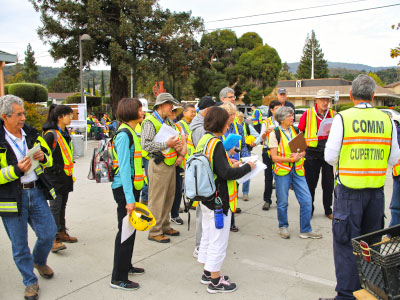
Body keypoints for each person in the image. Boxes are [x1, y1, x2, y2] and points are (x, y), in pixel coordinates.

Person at [321, 75, 400, 300]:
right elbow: (395, 158)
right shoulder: (387, 120)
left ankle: (346, 295)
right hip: (375, 194)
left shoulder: (343, 118)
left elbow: (329, 157)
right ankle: (369, 291)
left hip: (348, 192)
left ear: (352, 96)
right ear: (373, 96)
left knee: (346, 245)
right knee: (370, 247)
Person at [0, 94, 57, 300]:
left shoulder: (32, 134)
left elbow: (48, 161)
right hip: (10, 198)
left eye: (23, 113)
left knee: (49, 233)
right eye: (18, 114)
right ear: (4, 117)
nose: (23, 118)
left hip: (36, 192)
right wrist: (16, 170)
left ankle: (39, 261)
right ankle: (30, 281)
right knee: (19, 244)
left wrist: (43, 157)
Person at [196, 106, 255, 294]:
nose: (229, 124)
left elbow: (215, 165)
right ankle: (215, 281)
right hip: (218, 200)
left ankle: (207, 272)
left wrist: (230, 162)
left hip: (205, 197)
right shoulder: (217, 144)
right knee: (218, 239)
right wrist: (248, 167)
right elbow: (226, 173)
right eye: (227, 121)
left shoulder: (204, 140)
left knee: (208, 235)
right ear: (220, 123)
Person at [269, 106, 322, 240]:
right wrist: (290, 159)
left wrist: (299, 154)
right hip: (282, 171)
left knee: (306, 200)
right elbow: (274, 157)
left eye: (293, 115)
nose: (293, 118)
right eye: (289, 116)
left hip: (298, 170)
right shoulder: (274, 133)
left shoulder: (296, 130)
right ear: (281, 119)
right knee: (282, 202)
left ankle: (306, 229)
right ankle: (283, 226)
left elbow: (304, 151)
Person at [110, 98, 146, 290]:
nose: (143, 112)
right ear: (131, 111)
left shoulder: (133, 131)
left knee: (130, 230)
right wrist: (130, 199)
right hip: (125, 190)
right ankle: (118, 277)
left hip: (133, 188)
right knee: (124, 232)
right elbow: (124, 169)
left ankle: (127, 265)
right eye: (140, 109)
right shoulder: (124, 134)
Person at [141, 93, 185, 243]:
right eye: (169, 104)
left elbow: (174, 138)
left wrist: (177, 145)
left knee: (168, 196)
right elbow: (145, 145)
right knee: (157, 198)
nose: (172, 108)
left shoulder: (168, 122)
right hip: (158, 163)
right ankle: (154, 230)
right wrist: (167, 144)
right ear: (161, 105)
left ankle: (165, 226)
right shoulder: (150, 122)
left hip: (170, 163)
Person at [43, 104, 77, 254]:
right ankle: (53, 238)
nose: (71, 117)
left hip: (65, 176)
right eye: (68, 115)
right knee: (55, 208)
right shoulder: (51, 134)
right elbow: (43, 156)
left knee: (62, 205)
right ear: (60, 117)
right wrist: (54, 170)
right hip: (55, 178)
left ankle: (61, 231)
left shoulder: (65, 133)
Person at [298, 89, 336, 219]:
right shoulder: (307, 114)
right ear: (317, 100)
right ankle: (310, 209)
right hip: (311, 153)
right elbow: (300, 133)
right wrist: (301, 151)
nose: (325, 103)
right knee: (310, 184)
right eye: (323, 100)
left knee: (328, 183)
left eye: (327, 100)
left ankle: (328, 209)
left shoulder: (334, 114)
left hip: (328, 152)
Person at [189, 96, 216, 258]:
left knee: (205, 211)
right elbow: (206, 150)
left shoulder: (203, 124)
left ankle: (203, 243)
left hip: (202, 171)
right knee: (202, 211)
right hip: (200, 173)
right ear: (207, 110)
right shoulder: (199, 128)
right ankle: (199, 246)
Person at [220, 102, 248, 231]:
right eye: (230, 114)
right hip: (223, 164)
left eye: (233, 114)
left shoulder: (239, 127)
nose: (232, 116)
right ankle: (224, 219)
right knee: (223, 194)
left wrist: (246, 159)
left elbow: (243, 145)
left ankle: (231, 221)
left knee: (233, 194)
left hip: (236, 164)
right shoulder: (219, 127)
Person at [255, 100, 281, 210]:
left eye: (280, 108)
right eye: (276, 108)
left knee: (280, 177)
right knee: (268, 177)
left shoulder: (283, 121)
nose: (279, 110)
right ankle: (267, 200)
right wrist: (266, 132)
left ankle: (280, 200)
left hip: (280, 152)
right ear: (271, 110)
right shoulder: (266, 122)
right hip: (267, 151)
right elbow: (262, 138)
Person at [169, 105, 186, 226]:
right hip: (165, 164)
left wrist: (181, 156)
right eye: (171, 111)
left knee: (178, 190)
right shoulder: (162, 127)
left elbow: (184, 144)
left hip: (178, 164)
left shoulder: (179, 127)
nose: (173, 113)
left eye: (175, 111)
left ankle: (174, 215)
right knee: (166, 193)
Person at [390, 125, 400, 227]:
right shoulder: (398, 131)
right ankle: (393, 233)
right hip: (398, 173)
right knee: (396, 206)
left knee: (396, 206)